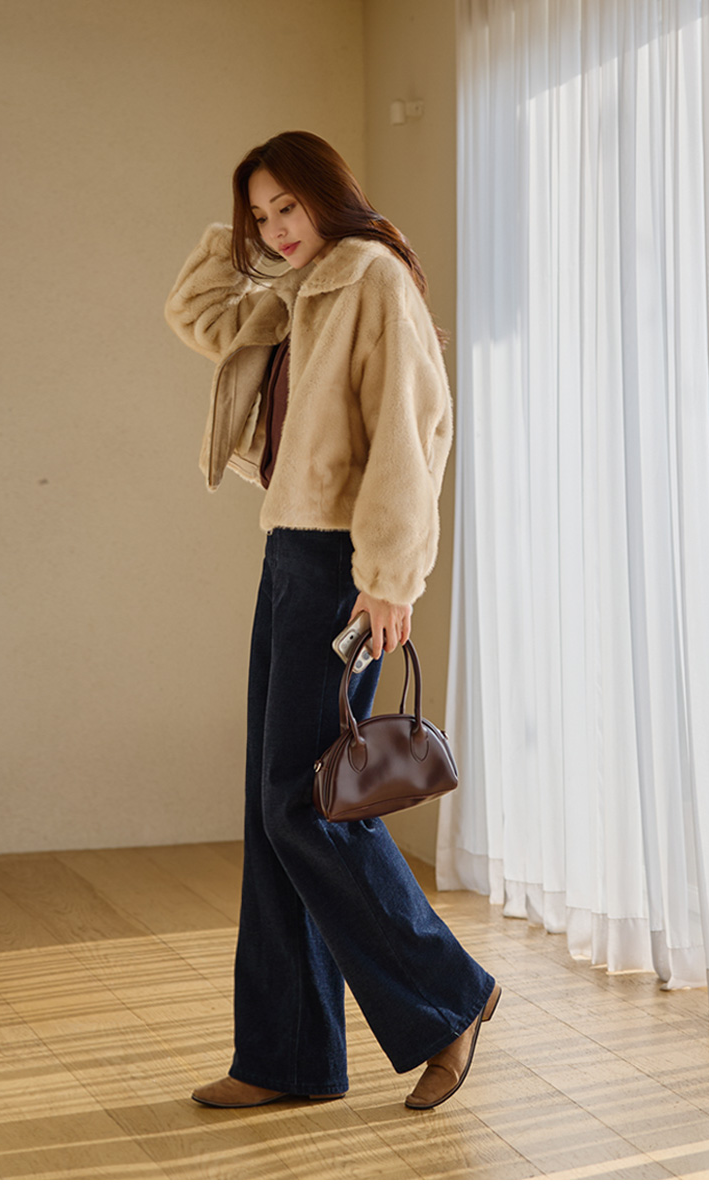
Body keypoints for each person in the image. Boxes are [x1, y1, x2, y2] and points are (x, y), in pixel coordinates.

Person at [164, 131, 499, 1111]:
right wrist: (233, 241)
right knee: (271, 809)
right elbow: (199, 315)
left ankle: (452, 999)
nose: (275, 228)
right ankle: (286, 1058)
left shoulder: (371, 277)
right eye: (259, 215)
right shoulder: (297, 287)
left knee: (303, 802)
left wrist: (389, 580)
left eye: (287, 206)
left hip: (344, 568)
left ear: (327, 194)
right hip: (289, 554)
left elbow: (410, 433)